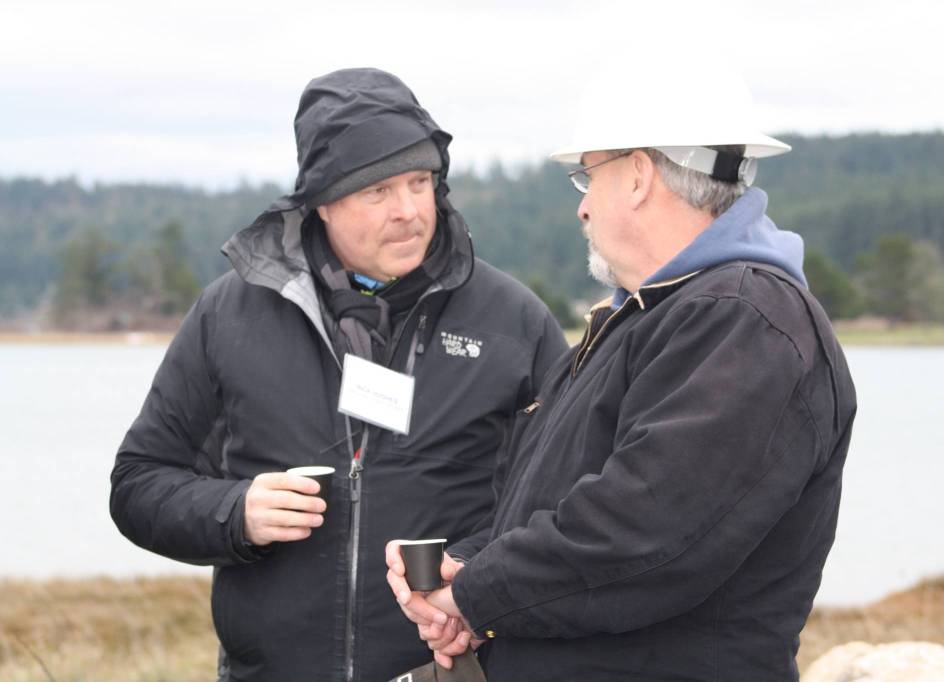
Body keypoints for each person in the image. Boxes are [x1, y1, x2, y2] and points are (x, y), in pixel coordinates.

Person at [386, 63, 857, 681]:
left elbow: (641, 533)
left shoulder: (743, 322)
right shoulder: (646, 317)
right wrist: (466, 569)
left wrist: (479, 594)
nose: (582, 208)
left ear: (637, 175)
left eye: (589, 176)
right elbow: (540, 507)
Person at [109, 68, 567, 682]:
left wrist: (472, 567)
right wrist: (234, 511)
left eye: (419, 182)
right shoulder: (230, 315)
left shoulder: (515, 323)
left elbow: (565, 505)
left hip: (455, 671)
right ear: (321, 201)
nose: (408, 211)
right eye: (377, 191)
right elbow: (137, 484)